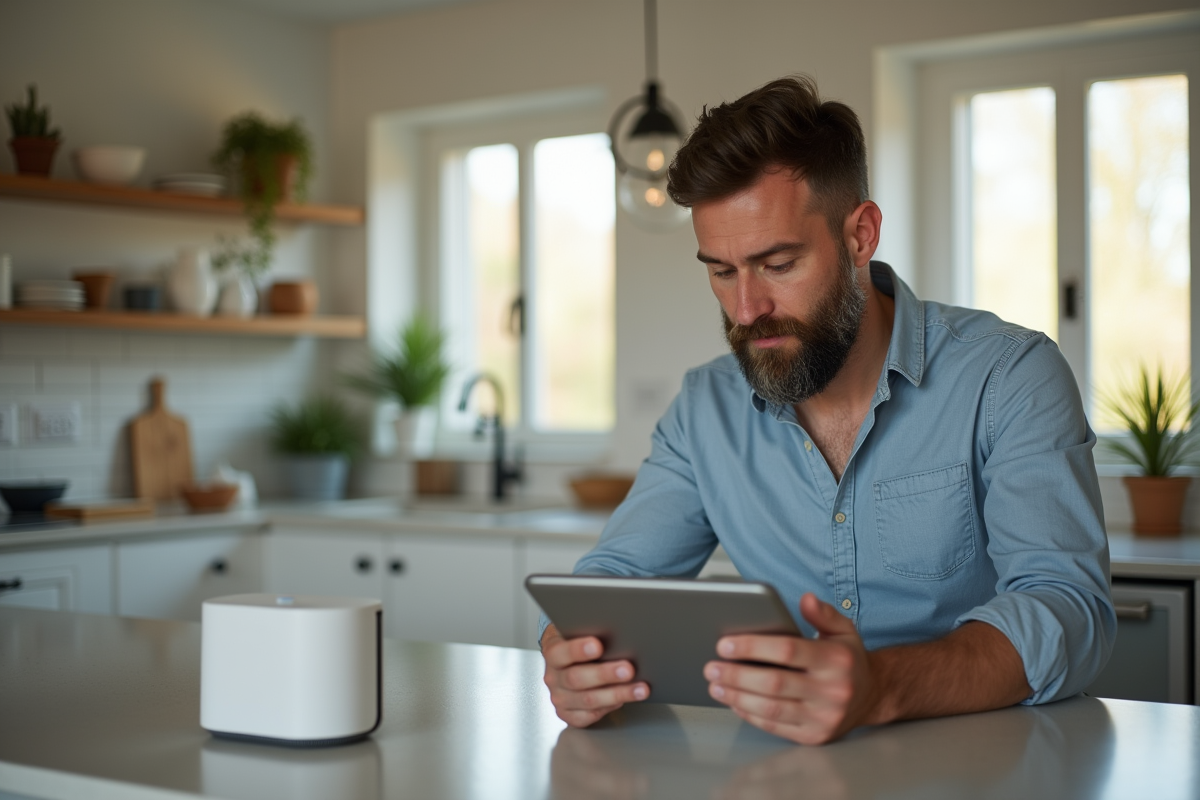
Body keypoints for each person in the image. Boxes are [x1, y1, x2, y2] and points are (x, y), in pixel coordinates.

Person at [539, 76, 1115, 745]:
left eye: (777, 263)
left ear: (860, 236)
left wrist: (881, 687)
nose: (747, 309)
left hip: (992, 767)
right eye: (722, 272)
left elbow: (1069, 610)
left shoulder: (1009, 376)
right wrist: (572, 654)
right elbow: (615, 583)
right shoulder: (705, 413)